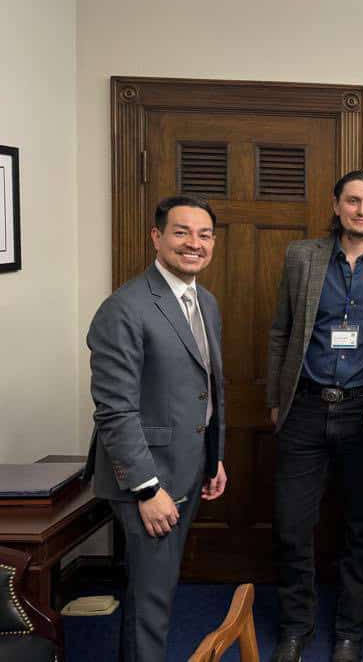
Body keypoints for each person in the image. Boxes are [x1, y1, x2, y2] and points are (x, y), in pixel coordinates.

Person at [266, 171, 363, 662]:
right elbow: (281, 330)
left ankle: (350, 633)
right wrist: (276, 398)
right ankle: (295, 627)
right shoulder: (302, 257)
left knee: (361, 529)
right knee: (292, 526)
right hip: (305, 408)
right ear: (336, 205)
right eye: (353, 201)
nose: (362, 210)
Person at [84, 195, 228, 662]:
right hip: (148, 480)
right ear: (156, 237)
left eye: (204, 235)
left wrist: (214, 457)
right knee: (151, 600)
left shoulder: (204, 301)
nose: (194, 244)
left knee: (157, 590)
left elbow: (205, 387)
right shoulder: (124, 308)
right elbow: (115, 411)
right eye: (181, 232)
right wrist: (147, 490)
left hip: (188, 467)